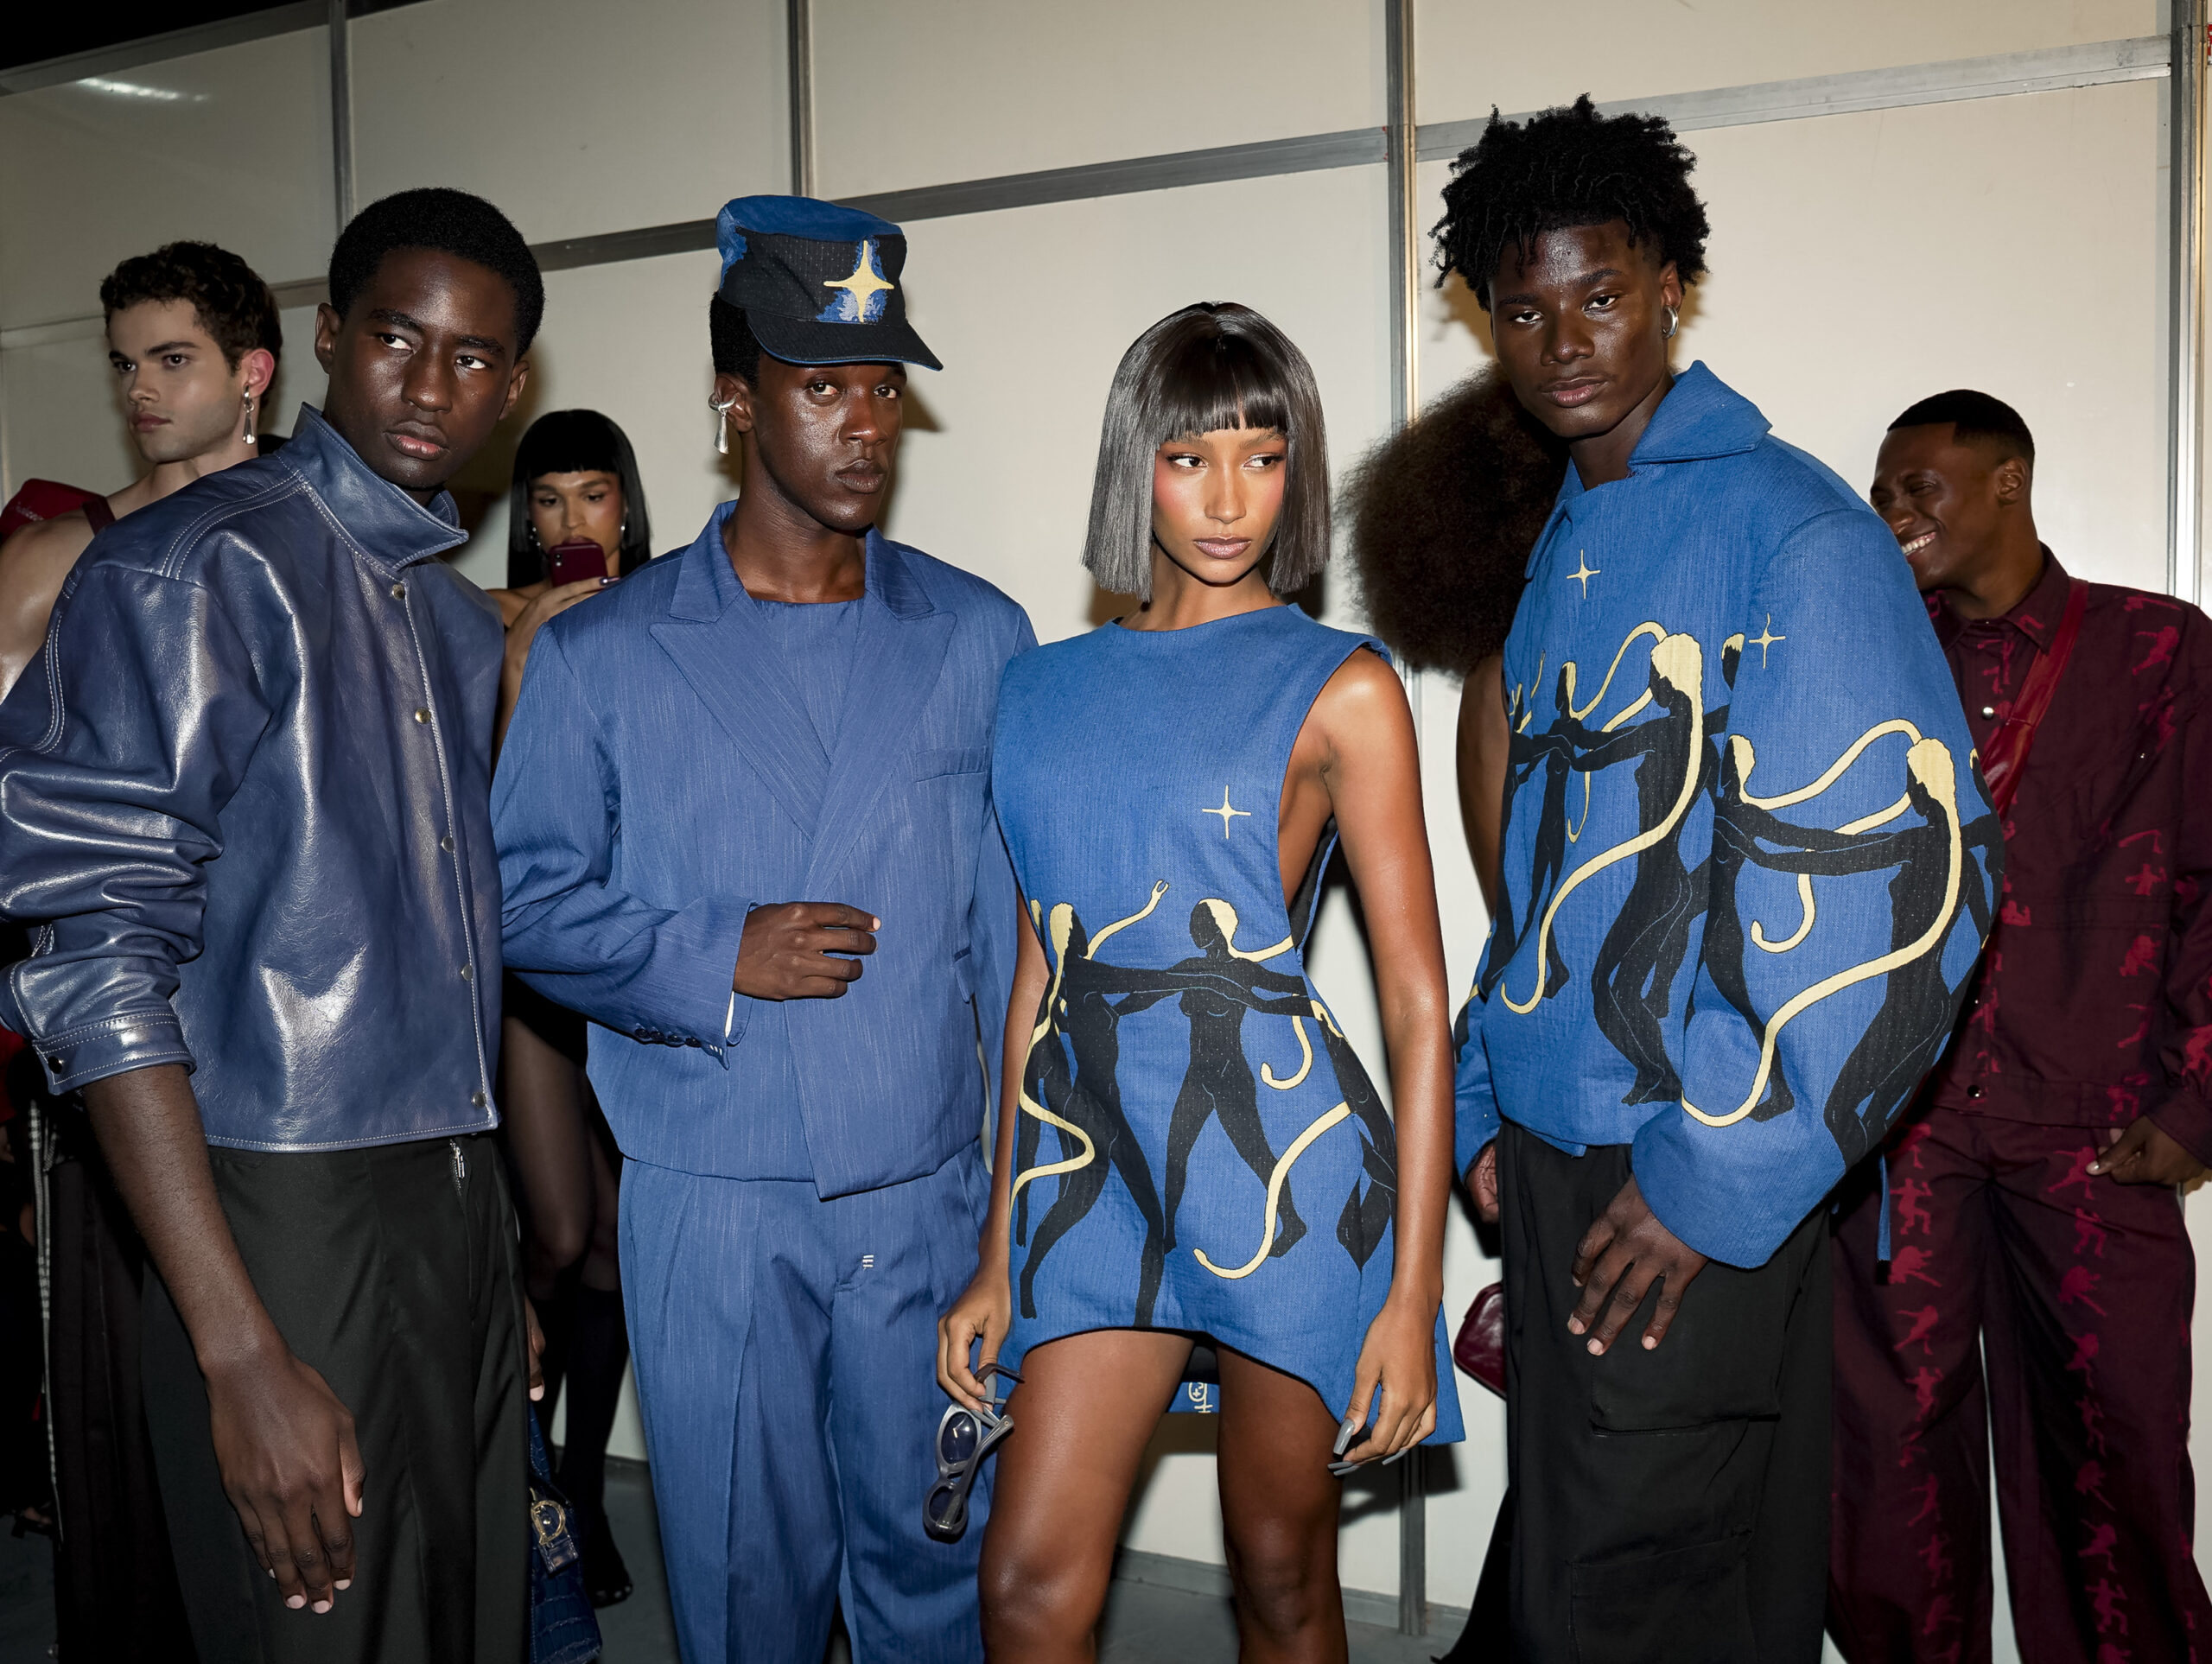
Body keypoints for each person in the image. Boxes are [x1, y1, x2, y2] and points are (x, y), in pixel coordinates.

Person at [1438, 98, 1999, 1661]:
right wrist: (1491, 1096)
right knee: (1632, 1573)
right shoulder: (1575, 527)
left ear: (1674, 283)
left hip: (1681, 1164)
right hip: (1564, 1161)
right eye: (1526, 306)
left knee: (1644, 1595)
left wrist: (1713, 1179)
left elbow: (1910, 895)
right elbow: (1547, 878)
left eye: (1601, 294)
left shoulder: (1796, 530)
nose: (1563, 341)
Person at [0, 186, 544, 1664]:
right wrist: (236, 1347)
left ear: (518, 383)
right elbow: (95, 955)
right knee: (315, 1629)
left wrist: (486, 1244)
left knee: (468, 1620)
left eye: (479, 358)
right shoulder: (188, 567)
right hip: (270, 1202)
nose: (434, 388)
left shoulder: (443, 608)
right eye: (397, 339)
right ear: (321, 341)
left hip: (450, 1193)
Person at [493, 194, 1034, 1664]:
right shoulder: (605, 653)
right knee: (744, 1593)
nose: (864, 421)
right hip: (713, 1197)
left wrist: (1011, 1218)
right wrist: (709, 953)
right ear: (735, 402)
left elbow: (1016, 954)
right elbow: (522, 895)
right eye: (820, 385)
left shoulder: (979, 636)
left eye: (881, 385)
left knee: (941, 1580)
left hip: (924, 1202)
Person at [938, 301, 1464, 1661]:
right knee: (1026, 1584)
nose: (1229, 496)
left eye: (1264, 454)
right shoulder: (1040, 690)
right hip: (1090, 1175)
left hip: (1279, 1163)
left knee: (1280, 1574)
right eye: (1190, 458)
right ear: (1137, 467)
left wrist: (1412, 1293)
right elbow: (1035, 981)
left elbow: (1416, 1000)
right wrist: (1002, 1250)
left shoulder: (1339, 684)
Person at [1830, 391, 2212, 1662]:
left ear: (2007, 482)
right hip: (1907, 1128)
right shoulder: (1877, 657)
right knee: (1890, 1455)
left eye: (1918, 488)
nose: (1894, 514)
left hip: (2094, 1124)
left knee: (2120, 1444)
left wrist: (2195, 1103)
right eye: (1882, 491)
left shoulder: (2160, 650)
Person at [486, 407, 652, 1606]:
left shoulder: (672, 622)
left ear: (627, 509)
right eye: (545, 502)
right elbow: (489, 805)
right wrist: (522, 661)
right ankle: (510, 1458)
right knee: (553, 1233)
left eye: (591, 496)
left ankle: (580, 1491)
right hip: (531, 961)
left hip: (640, 954)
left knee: (617, 1251)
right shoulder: (494, 621)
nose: (569, 523)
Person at [0, 241, 281, 697]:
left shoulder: (322, 545)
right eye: (126, 365)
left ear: (252, 373)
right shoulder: (48, 559)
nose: (138, 389)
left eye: (173, 360)